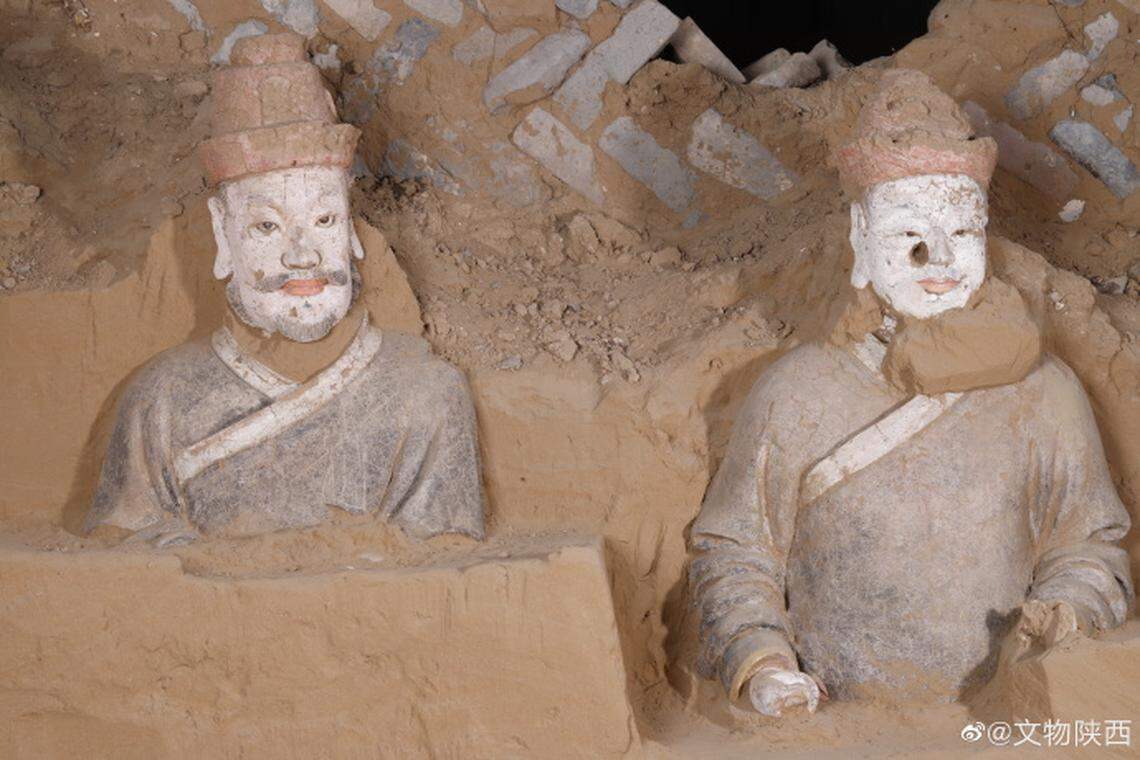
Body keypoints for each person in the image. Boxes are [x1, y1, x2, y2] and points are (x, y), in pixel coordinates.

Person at [687, 69, 1133, 716]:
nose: (941, 263)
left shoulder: (1043, 394)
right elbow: (734, 552)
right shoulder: (796, 394)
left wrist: (1064, 619)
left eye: (963, 233)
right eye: (909, 237)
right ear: (859, 241)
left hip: (995, 728)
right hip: (832, 731)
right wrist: (763, 665)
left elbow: (1090, 547)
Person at [85, 33, 485, 545]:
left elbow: (444, 574)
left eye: (323, 218)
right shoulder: (162, 400)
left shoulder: (426, 394)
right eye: (267, 227)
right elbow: (117, 563)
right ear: (221, 234)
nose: (303, 256)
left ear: (350, 231)